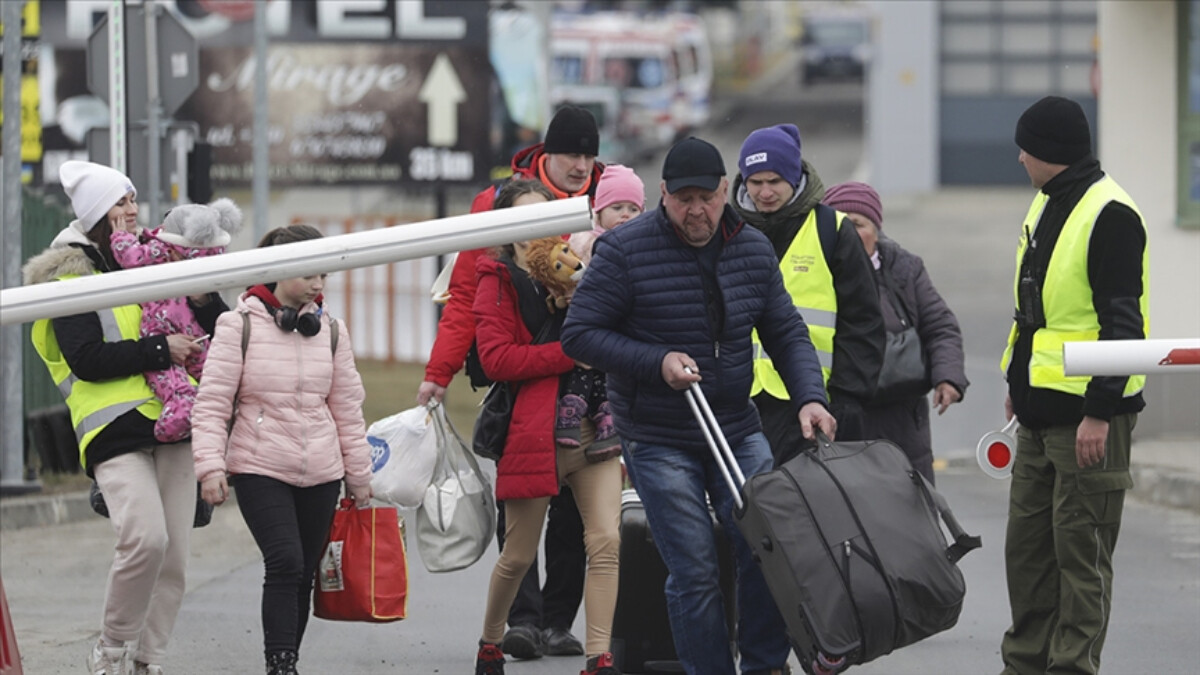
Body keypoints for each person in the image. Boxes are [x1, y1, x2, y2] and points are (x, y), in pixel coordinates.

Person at [561, 137, 837, 675]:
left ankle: (764, 665)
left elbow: (786, 332)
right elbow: (580, 334)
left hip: (736, 425)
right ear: (662, 194)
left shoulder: (751, 248)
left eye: (706, 197)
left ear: (725, 191)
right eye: (683, 198)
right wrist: (655, 360)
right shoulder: (625, 250)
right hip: (659, 433)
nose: (696, 211)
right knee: (696, 570)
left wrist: (810, 397)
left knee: (766, 548)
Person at [23, 160, 227, 675]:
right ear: (95, 214)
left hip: (175, 422)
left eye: (133, 199)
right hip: (114, 428)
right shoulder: (70, 272)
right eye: (119, 202)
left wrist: (201, 298)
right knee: (144, 539)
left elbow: (215, 330)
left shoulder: (158, 257)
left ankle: (148, 660)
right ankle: (111, 652)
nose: (132, 211)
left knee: (175, 556)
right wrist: (160, 349)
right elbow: (86, 360)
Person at [418, 104, 606, 659]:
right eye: (572, 152)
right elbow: (463, 301)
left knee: (579, 517)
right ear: (547, 153)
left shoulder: (603, 199)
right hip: (520, 381)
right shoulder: (496, 205)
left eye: (590, 154)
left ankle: (557, 621)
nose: (581, 164)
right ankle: (520, 622)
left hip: (589, 396)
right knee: (522, 507)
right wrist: (438, 373)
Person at [999, 95, 1149, 675]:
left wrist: (1099, 412)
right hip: (1039, 417)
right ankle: (1024, 666)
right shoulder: (1047, 205)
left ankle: (1071, 668)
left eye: (1026, 147)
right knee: (1029, 558)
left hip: (1087, 419)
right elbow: (1033, 312)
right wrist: (1017, 383)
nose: (1018, 157)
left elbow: (1122, 324)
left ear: (1051, 153)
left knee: (1080, 558)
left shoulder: (1110, 214)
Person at [190, 224, 374, 675]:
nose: (318, 284)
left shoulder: (331, 331)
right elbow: (212, 403)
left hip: (323, 472)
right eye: (309, 273)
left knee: (307, 570)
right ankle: (280, 663)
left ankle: (287, 659)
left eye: (324, 276)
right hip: (258, 465)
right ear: (276, 271)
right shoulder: (237, 326)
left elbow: (348, 409)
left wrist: (360, 476)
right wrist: (210, 466)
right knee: (286, 560)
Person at [473, 181, 622, 675]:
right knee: (517, 555)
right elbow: (496, 359)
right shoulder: (497, 280)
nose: (537, 228)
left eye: (545, 216)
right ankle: (491, 642)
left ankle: (598, 657)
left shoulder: (582, 268)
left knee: (605, 541)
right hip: (533, 432)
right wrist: (570, 352)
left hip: (592, 430)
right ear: (505, 227)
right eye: (524, 218)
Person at [730, 124, 884, 462]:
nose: (765, 192)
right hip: (742, 400)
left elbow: (863, 322)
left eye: (775, 182)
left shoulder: (833, 229)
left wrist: (846, 398)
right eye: (756, 182)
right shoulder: (728, 231)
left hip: (817, 404)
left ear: (795, 178)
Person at [823, 181, 969, 484]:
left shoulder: (905, 268)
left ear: (876, 230)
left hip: (902, 423)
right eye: (839, 224)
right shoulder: (813, 275)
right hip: (840, 419)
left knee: (908, 517)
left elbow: (940, 327)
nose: (848, 233)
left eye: (858, 224)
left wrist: (948, 376)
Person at [109, 198, 243, 443]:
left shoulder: (159, 251)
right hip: (187, 332)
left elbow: (129, 256)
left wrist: (120, 237)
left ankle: (188, 414)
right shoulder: (209, 255)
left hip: (164, 326)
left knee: (179, 379)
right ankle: (214, 413)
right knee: (209, 376)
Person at [568, 163, 645, 264]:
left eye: (634, 209)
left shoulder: (646, 244)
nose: (626, 214)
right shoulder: (585, 245)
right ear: (600, 211)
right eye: (617, 208)